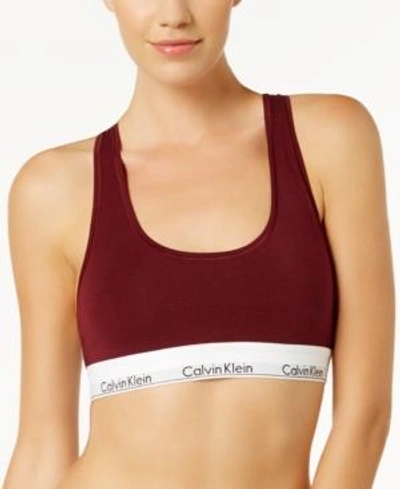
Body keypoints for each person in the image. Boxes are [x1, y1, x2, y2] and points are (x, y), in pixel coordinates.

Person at [4, 1, 395, 489]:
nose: (174, 15)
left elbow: (365, 416)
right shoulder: (52, 189)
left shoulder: (329, 139)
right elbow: (42, 445)